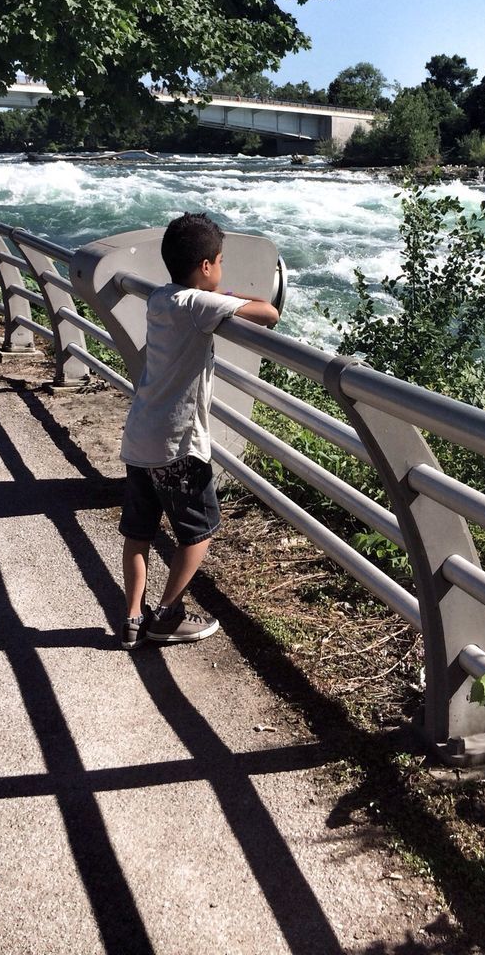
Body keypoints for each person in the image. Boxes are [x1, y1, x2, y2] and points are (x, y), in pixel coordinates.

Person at [119, 211, 279, 648]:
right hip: (177, 445)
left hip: (139, 438)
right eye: (221, 262)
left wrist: (217, 294)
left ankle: (132, 618)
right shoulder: (200, 305)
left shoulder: (159, 298)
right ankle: (167, 615)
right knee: (200, 532)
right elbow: (268, 313)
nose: (222, 269)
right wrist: (226, 296)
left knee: (139, 533)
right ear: (206, 266)